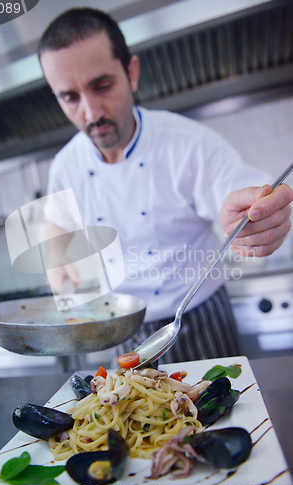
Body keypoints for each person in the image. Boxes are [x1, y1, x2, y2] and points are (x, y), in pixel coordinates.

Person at [39, 7, 293, 365]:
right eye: (70, 97)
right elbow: (57, 224)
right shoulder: (66, 165)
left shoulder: (187, 142)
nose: (91, 112)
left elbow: (237, 189)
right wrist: (55, 252)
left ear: (132, 73)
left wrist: (258, 215)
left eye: (103, 85)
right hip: (119, 333)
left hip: (198, 319)